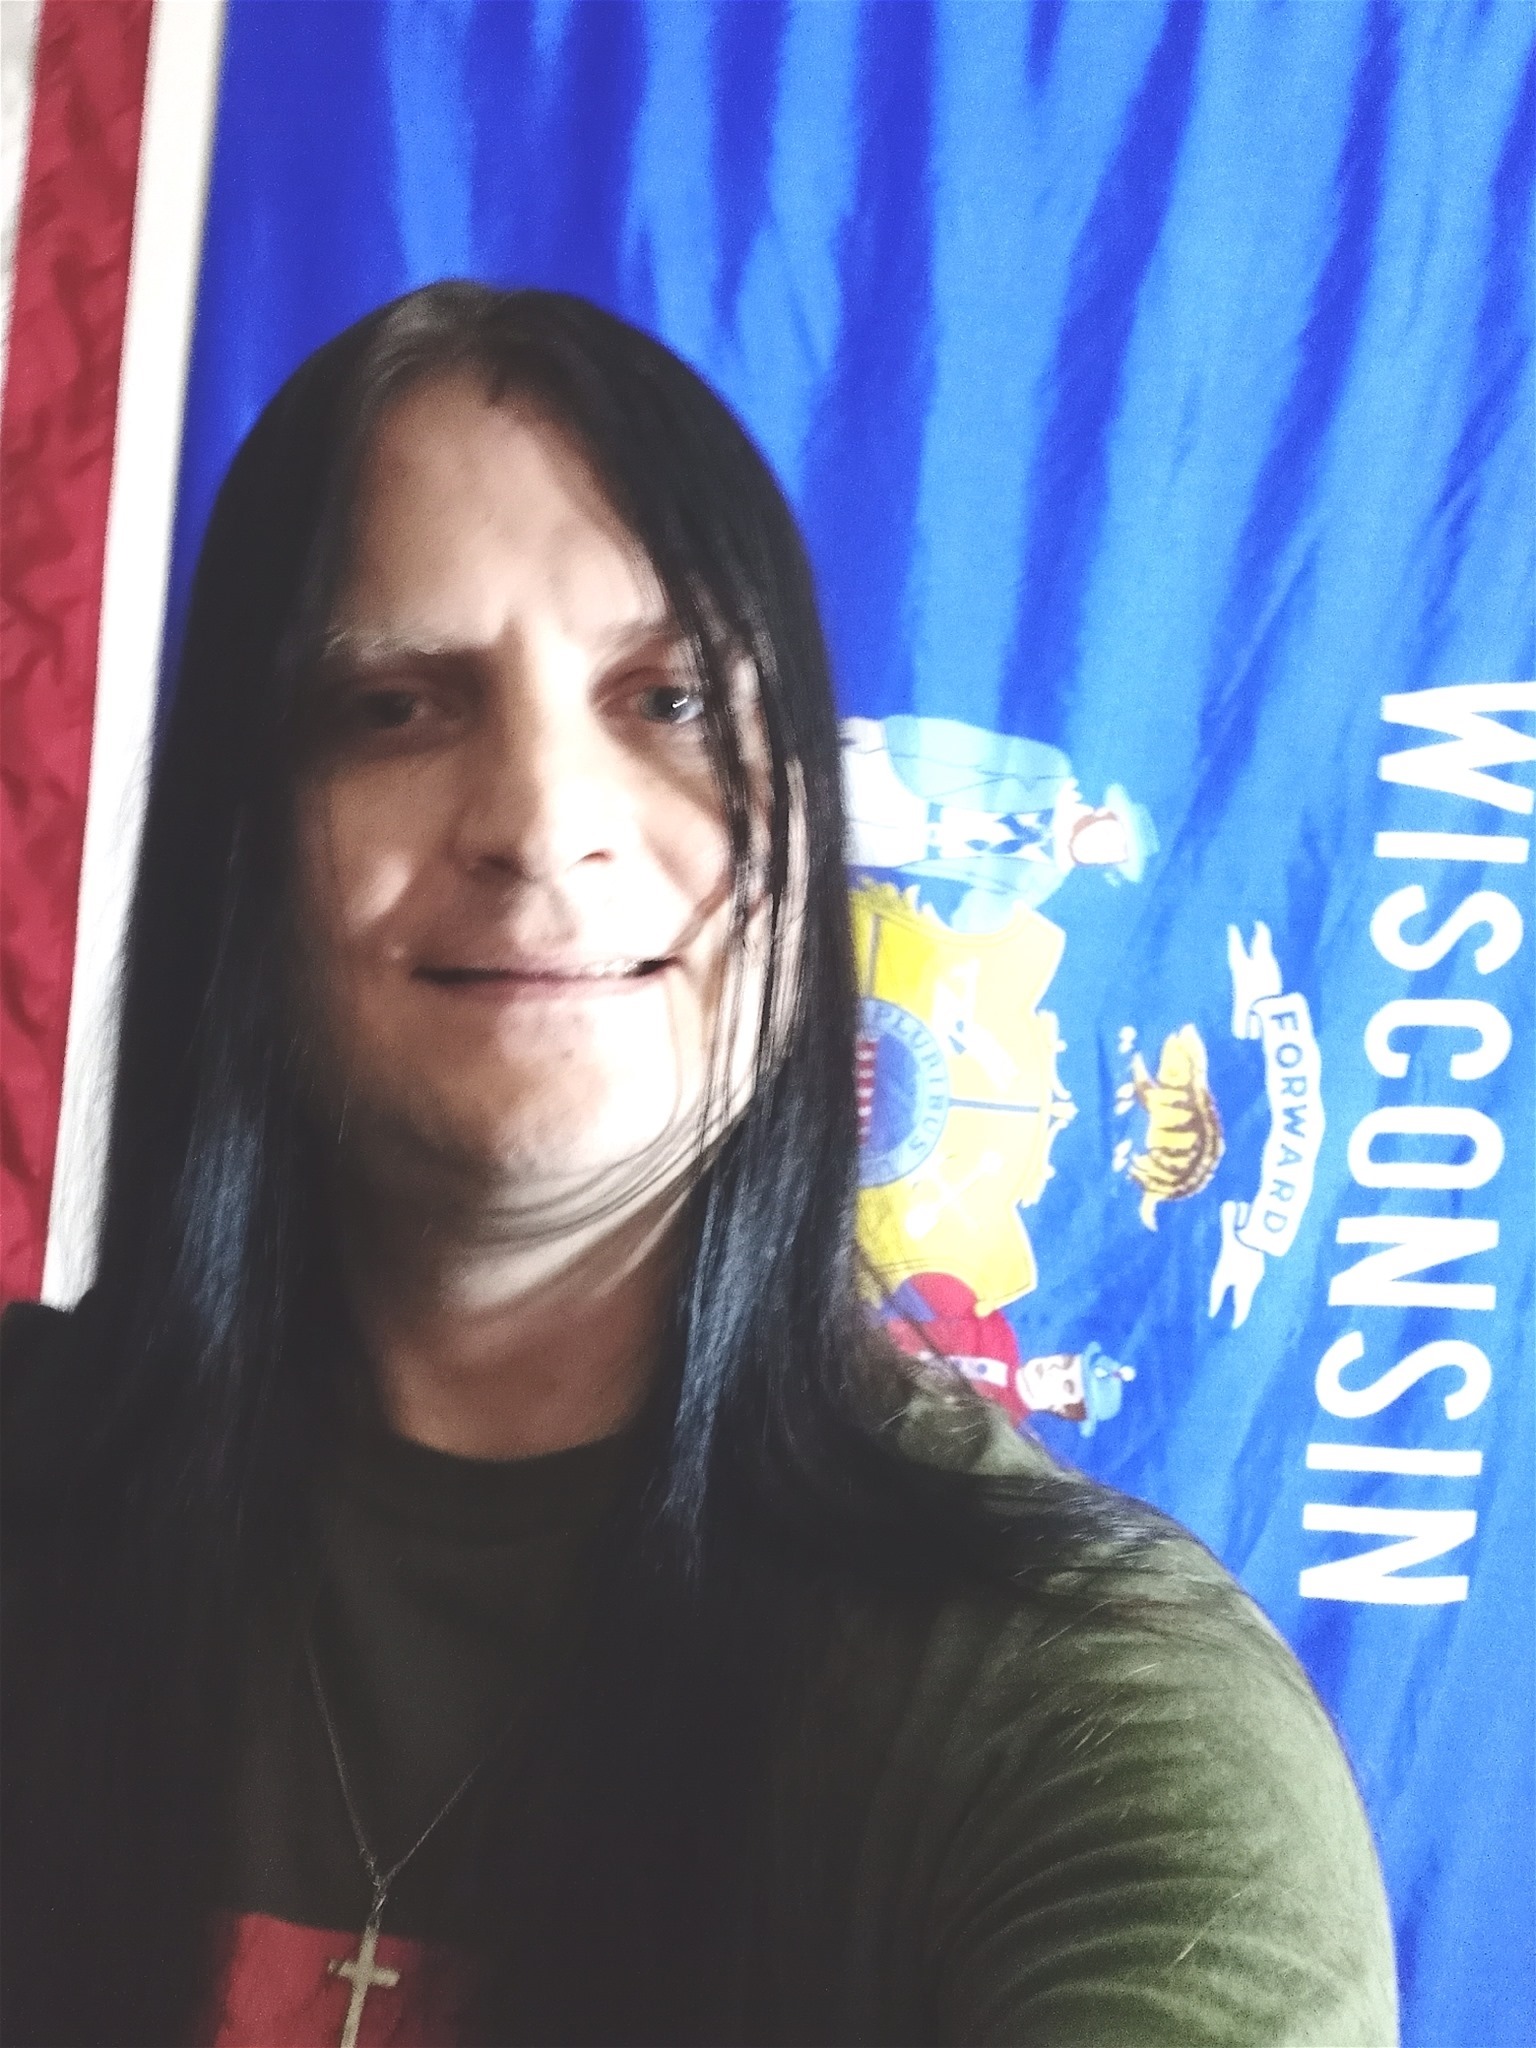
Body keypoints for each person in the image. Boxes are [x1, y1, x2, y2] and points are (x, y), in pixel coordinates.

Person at [0, 284, 1397, 2048]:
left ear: (811, 833)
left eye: (668, 700)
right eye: (395, 706)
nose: (540, 825)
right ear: (242, 844)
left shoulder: (1091, 1717)